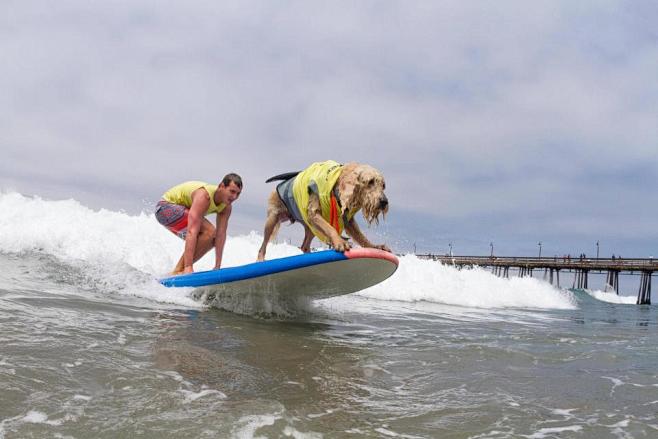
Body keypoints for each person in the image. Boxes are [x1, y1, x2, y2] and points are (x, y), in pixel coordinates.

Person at [155, 174, 242, 274]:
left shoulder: (226, 207)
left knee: (212, 238)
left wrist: (217, 266)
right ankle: (182, 269)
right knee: (209, 232)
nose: (234, 197)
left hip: (177, 214)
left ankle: (176, 272)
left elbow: (221, 235)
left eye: (238, 194)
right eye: (232, 191)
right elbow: (192, 232)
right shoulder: (204, 196)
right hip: (164, 208)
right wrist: (188, 267)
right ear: (221, 186)